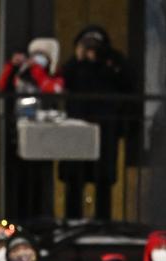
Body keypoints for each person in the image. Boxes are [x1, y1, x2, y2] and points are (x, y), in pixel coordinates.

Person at [56, 25, 135, 220]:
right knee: (74, 178)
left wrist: (105, 60)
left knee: (103, 179)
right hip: (77, 127)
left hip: (105, 127)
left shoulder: (113, 62)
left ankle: (102, 221)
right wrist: (78, 58)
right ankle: (72, 220)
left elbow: (127, 83)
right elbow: (63, 81)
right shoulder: (75, 64)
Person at [0, 38, 61, 221]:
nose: (36, 59)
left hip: (43, 138)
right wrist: (12, 67)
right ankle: (17, 219)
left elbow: (52, 90)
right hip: (19, 135)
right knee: (19, 180)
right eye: (34, 55)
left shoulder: (54, 76)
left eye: (42, 55)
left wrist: (37, 72)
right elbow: (3, 88)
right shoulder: (21, 74)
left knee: (41, 182)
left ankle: (42, 220)